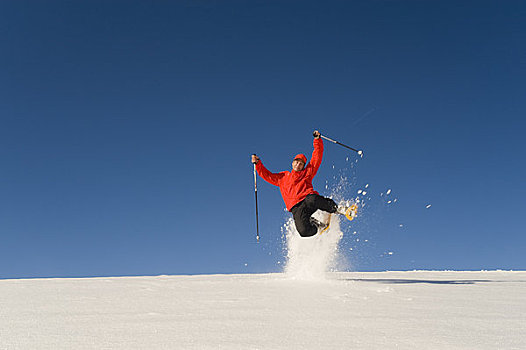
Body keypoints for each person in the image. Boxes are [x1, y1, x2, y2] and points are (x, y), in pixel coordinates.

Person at [252, 130, 344, 237]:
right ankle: (318, 225)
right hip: (296, 209)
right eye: (296, 161)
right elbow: (267, 175)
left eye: (301, 163)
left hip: (307, 200)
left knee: (313, 199)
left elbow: (316, 157)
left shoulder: (307, 173)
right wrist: (258, 164)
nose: (298, 164)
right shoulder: (283, 177)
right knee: (303, 232)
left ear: (303, 166)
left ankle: (337, 209)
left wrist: (317, 140)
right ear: (292, 163)